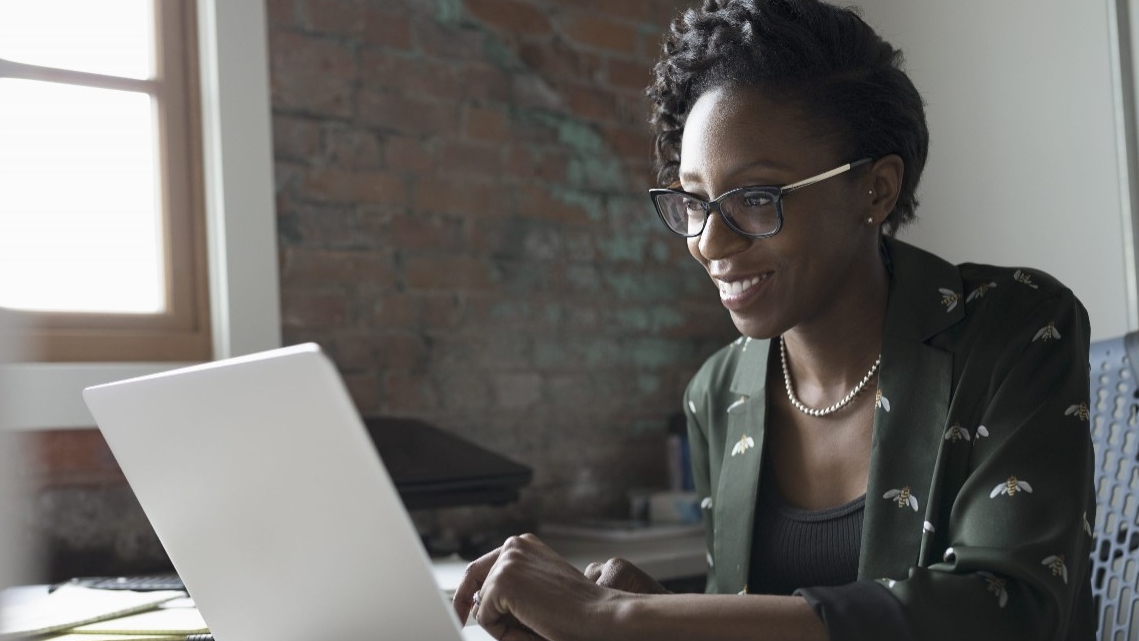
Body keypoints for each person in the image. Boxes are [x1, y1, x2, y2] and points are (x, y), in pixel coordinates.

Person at [452, 0, 1097, 639]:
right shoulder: (718, 391)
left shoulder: (1015, 328)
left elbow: (1009, 612)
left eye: (756, 199)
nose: (708, 242)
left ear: (876, 189)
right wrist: (649, 614)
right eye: (694, 203)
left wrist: (623, 617)